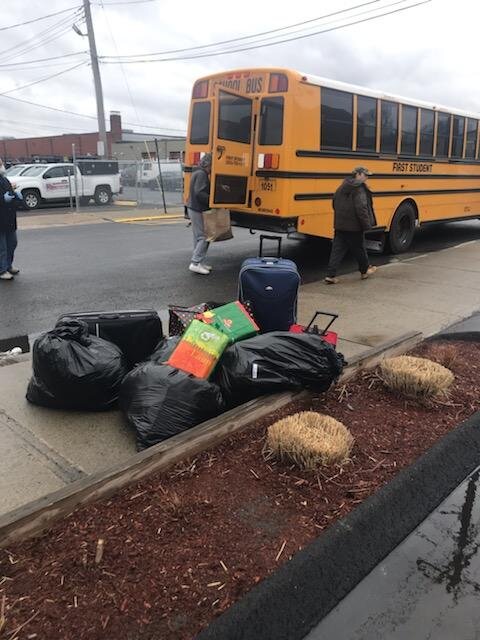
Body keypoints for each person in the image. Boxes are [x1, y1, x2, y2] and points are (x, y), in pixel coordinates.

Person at [325, 166, 377, 285]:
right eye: (365, 175)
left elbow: (334, 202)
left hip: (340, 224)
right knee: (360, 249)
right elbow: (361, 208)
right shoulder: (359, 188)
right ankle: (365, 271)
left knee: (337, 250)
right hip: (354, 226)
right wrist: (367, 225)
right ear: (358, 174)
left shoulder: (342, 186)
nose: (367, 178)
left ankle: (330, 275)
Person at [186, 153, 213, 275]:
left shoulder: (197, 172)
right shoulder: (202, 174)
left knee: (198, 236)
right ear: (209, 164)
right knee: (204, 236)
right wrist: (212, 201)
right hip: (198, 208)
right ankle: (195, 263)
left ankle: (198, 261)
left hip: (193, 207)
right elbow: (200, 193)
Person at [0, 159, 22, 282]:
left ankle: (8, 265)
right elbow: (3, 197)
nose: (2, 166)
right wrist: (2, 199)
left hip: (9, 218)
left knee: (12, 243)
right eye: (0, 165)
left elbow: (10, 194)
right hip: (1, 219)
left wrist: (16, 197)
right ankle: (2, 269)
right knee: (1, 247)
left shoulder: (4, 179)